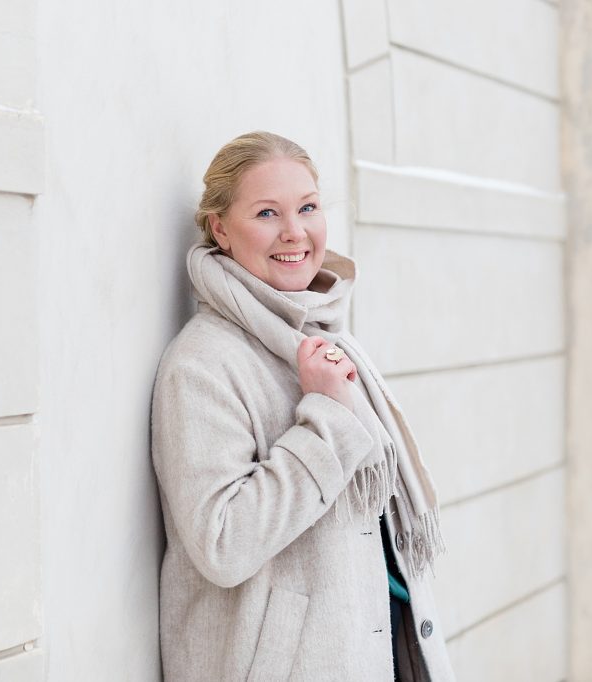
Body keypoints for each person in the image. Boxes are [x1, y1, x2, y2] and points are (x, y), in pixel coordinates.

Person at [149, 131, 456, 681]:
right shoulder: (203, 362)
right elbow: (221, 543)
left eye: (308, 208)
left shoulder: (323, 336)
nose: (295, 233)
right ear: (220, 229)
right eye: (267, 213)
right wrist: (327, 418)